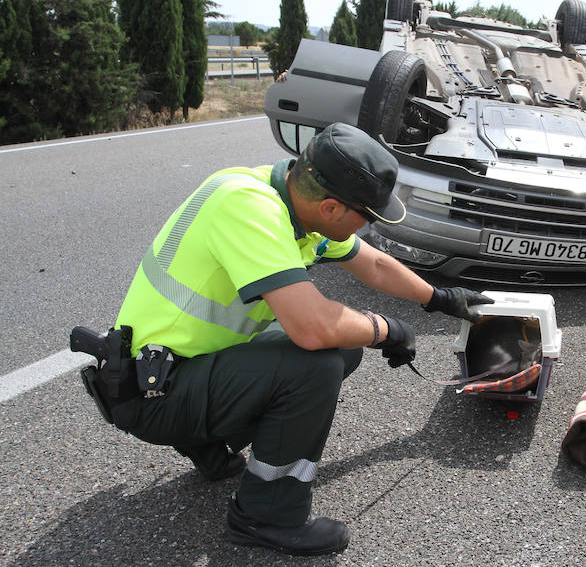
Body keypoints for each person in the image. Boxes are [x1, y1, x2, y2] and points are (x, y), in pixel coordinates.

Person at [112, 122, 492, 556]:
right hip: (153, 395)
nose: (366, 227)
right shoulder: (247, 208)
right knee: (316, 362)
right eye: (366, 217)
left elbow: (374, 266)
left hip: (179, 369)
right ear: (332, 208)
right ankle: (266, 515)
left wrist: (439, 298)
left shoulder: (292, 202)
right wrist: (384, 328)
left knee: (342, 345)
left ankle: (206, 441)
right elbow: (312, 327)